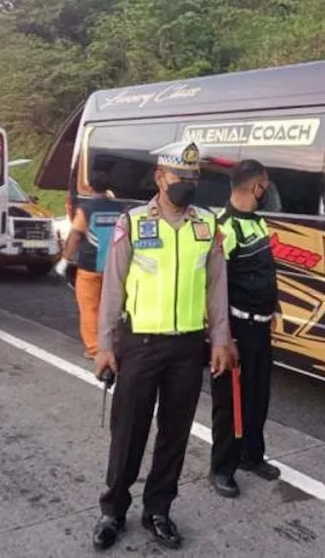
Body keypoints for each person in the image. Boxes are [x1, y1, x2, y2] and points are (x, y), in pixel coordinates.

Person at [91, 141, 238, 552]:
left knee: (174, 435)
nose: (187, 185)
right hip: (140, 345)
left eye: (193, 179)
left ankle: (159, 509)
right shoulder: (134, 222)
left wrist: (221, 340)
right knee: (129, 433)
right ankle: (113, 511)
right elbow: (112, 288)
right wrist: (105, 345)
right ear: (160, 177)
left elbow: (216, 288)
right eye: (180, 178)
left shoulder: (206, 225)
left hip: (188, 348)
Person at [209, 159, 281, 499]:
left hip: (262, 328)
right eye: (266, 185)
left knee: (258, 396)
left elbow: (263, 274)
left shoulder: (259, 223)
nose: (268, 191)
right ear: (256, 187)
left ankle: (253, 456)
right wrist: (224, 337)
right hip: (237, 329)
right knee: (229, 403)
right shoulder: (226, 228)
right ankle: (223, 467)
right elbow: (216, 287)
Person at [54, 171, 121, 359]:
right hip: (114, 267)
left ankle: (95, 349)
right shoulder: (119, 209)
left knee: (89, 307)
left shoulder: (86, 209)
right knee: (111, 307)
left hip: (90, 267)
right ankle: (112, 344)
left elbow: (75, 235)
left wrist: (65, 260)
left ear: (90, 188)